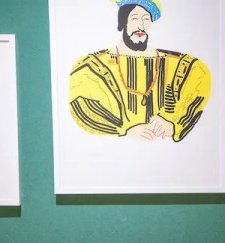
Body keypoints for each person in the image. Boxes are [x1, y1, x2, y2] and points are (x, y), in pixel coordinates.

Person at [69, 0, 211, 142]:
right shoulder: (91, 65)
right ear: (122, 21)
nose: (140, 26)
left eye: (146, 19)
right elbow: (82, 108)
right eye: (134, 18)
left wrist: (174, 125)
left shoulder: (182, 64)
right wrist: (126, 130)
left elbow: (198, 84)